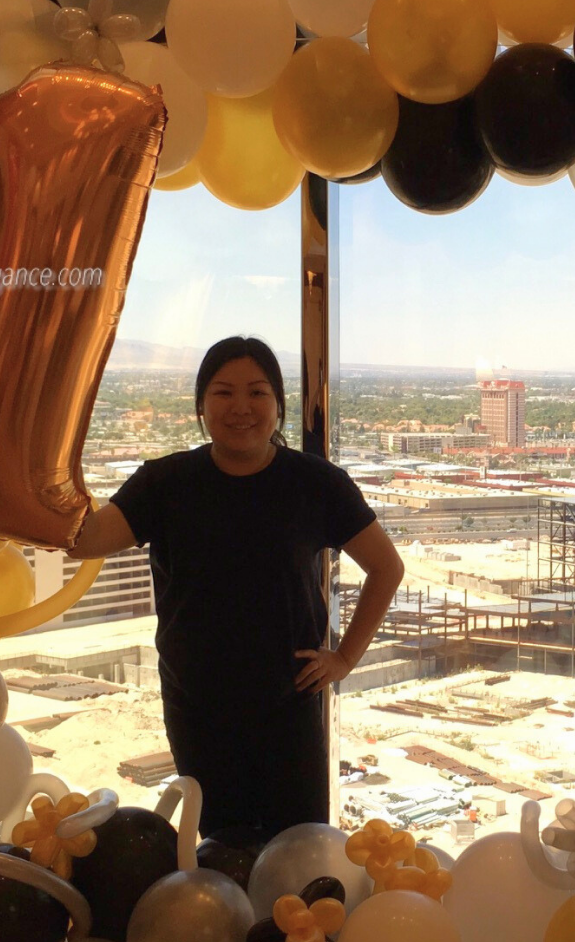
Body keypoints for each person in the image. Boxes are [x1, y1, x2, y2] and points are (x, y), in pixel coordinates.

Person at [68, 336, 404, 839]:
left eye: (258, 393)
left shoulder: (315, 483)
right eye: (223, 393)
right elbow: (85, 541)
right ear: (201, 406)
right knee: (220, 850)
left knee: (297, 852)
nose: (241, 408)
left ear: (279, 406)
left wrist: (344, 659)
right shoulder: (166, 483)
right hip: (198, 704)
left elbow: (386, 568)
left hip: (287, 706)